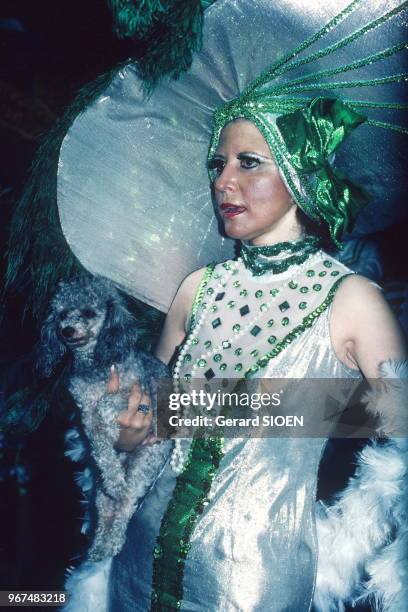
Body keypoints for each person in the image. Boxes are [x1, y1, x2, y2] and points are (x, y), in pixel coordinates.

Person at [56, 1, 407, 610]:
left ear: (300, 175)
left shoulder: (352, 300)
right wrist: (135, 428)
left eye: (249, 163)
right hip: (138, 568)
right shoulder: (197, 288)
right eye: (218, 165)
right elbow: (158, 423)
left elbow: (397, 443)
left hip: (255, 584)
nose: (223, 181)